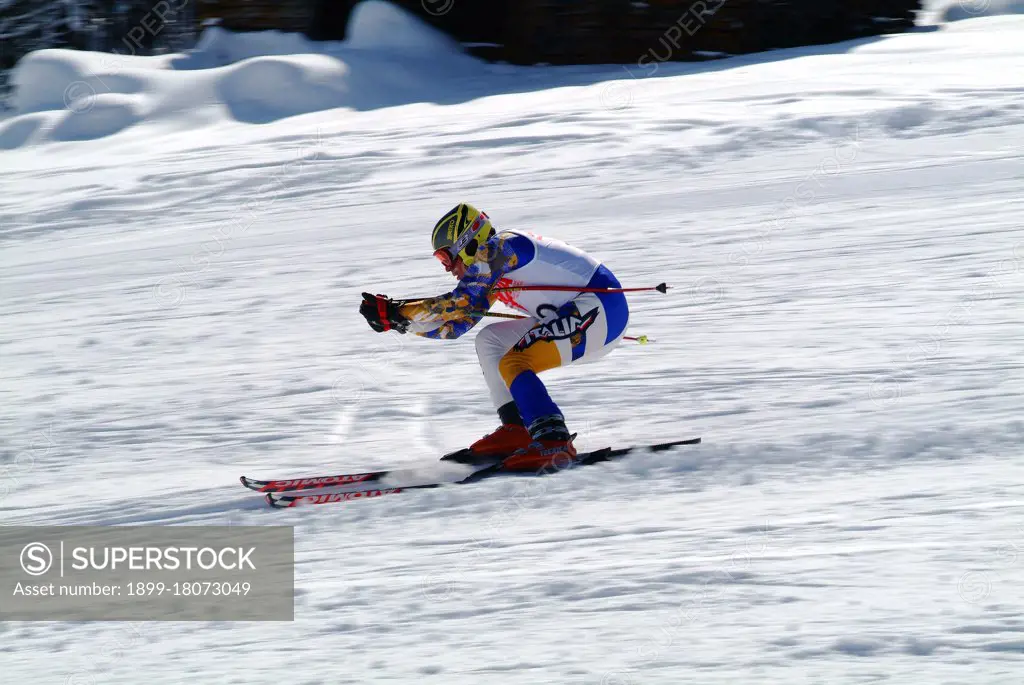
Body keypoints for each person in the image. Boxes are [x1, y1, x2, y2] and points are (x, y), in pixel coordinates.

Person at [359, 203, 629, 471]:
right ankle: (517, 428)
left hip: (602, 308)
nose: (447, 268)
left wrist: (401, 311)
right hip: (583, 314)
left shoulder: (501, 247)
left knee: (514, 362)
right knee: (489, 342)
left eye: (446, 257)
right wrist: (399, 322)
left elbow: (461, 302)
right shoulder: (493, 271)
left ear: (468, 243)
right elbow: (458, 326)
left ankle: (554, 439)